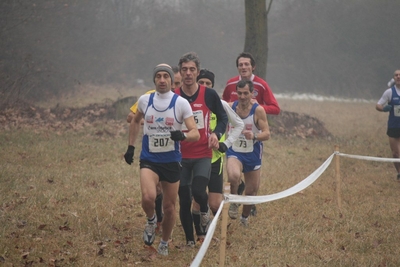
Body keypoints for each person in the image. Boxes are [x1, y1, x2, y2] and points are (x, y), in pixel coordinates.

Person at [123, 64, 199, 256]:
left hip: (172, 161)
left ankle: (164, 241)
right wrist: (131, 147)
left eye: (166, 76)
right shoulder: (145, 100)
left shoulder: (181, 103)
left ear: (172, 81)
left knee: (169, 207)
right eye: (159, 76)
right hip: (149, 159)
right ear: (154, 80)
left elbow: (195, 133)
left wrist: (182, 136)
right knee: (148, 197)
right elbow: (134, 120)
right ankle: (150, 220)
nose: (162, 80)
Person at [174, 52, 228, 247]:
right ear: (180, 72)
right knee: (184, 198)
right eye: (184, 70)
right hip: (179, 155)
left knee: (198, 191)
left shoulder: (209, 94)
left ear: (197, 72)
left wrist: (216, 133)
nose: (188, 73)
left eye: (192, 69)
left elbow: (223, 118)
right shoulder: (174, 96)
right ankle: (190, 240)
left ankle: (204, 211)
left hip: (202, 154)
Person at [125, 66, 182, 234]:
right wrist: (154, 124)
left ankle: (167, 227)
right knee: (153, 192)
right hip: (151, 155)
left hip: (176, 152)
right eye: (160, 77)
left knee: (173, 198)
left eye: (176, 83)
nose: (174, 86)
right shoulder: (149, 96)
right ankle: (155, 220)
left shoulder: (181, 98)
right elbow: (131, 118)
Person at [222, 52, 280, 215]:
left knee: (252, 190)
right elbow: (222, 105)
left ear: (253, 67)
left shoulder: (261, 85)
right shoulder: (230, 84)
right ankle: (234, 197)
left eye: (247, 64)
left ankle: (246, 212)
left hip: (253, 144)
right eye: (240, 65)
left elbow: (275, 108)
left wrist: (256, 107)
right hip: (234, 145)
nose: (243, 67)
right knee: (233, 175)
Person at [193, 69, 244, 242]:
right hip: (196, 157)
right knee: (197, 199)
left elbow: (239, 124)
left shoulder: (220, 104)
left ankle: (212, 228)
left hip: (215, 160)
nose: (205, 86)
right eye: (202, 83)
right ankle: (201, 235)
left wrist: (225, 144)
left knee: (215, 204)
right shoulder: (189, 103)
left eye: (208, 84)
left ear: (213, 87)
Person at [226, 80, 270, 227]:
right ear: (236, 93)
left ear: (252, 93)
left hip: (252, 152)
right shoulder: (231, 107)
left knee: (251, 192)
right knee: (233, 176)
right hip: (235, 150)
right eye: (239, 93)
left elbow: (267, 134)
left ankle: (244, 218)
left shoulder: (258, 110)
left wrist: (255, 136)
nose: (243, 96)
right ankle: (234, 200)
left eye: (246, 93)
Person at [376, 69, 400, 181]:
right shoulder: (389, 92)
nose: (398, 77)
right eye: (396, 75)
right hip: (393, 126)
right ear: (394, 78)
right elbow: (378, 105)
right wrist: (384, 109)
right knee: (395, 154)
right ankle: (399, 173)